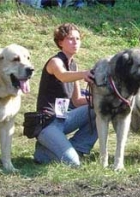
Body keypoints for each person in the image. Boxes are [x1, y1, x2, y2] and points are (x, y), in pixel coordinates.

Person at [33, 23, 97, 167]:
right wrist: (84, 74)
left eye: (78, 39)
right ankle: (43, 153)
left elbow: (78, 100)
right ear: (60, 42)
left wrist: (102, 100)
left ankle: (78, 148)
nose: (75, 42)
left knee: (99, 109)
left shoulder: (74, 65)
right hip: (47, 123)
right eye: (70, 39)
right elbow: (62, 76)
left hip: (63, 119)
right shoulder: (55, 62)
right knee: (73, 164)